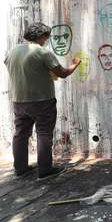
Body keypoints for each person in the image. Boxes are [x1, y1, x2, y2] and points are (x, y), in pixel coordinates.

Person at [4, 22, 81, 179]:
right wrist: (75, 64)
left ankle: (21, 169)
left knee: (20, 134)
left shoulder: (13, 51)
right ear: (40, 36)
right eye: (46, 36)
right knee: (44, 133)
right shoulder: (42, 52)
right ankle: (45, 171)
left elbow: (14, 67)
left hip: (19, 100)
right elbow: (63, 73)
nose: (47, 39)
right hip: (42, 100)